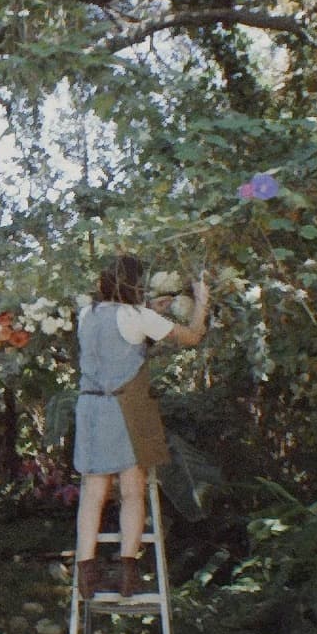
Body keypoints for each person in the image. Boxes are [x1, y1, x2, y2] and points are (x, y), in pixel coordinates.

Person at [73, 254, 209, 599]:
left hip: (89, 407)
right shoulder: (138, 316)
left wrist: (151, 308)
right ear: (135, 284)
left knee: (92, 494)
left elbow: (117, 329)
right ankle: (127, 575)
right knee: (132, 492)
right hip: (124, 408)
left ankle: (87, 576)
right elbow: (192, 336)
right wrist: (202, 301)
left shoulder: (86, 314)